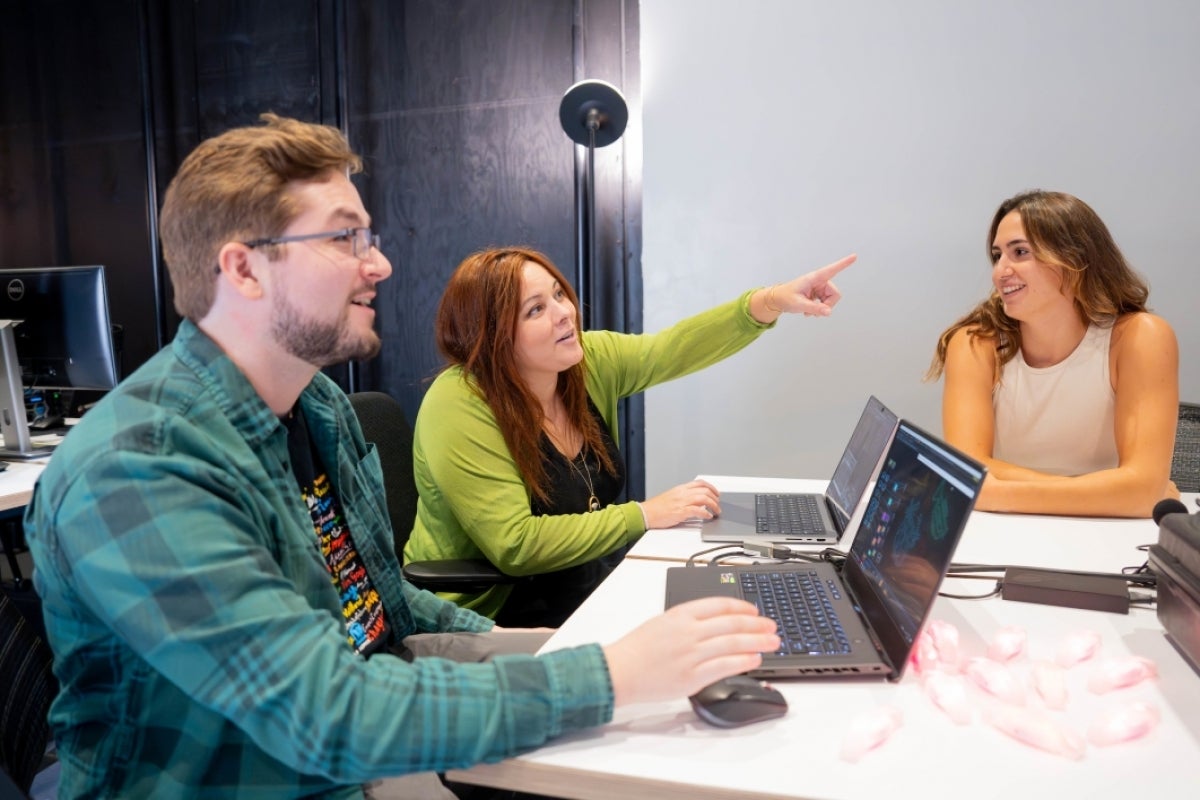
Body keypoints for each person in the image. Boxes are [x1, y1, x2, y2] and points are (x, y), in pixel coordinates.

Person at [22, 114, 781, 800]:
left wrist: (568, 651)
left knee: (661, 728)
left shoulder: (317, 408)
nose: (378, 264)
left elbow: (386, 611)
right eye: (344, 238)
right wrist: (610, 675)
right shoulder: (142, 466)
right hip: (270, 773)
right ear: (244, 270)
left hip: (367, 713)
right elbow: (325, 717)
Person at [405, 246, 856, 627]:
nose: (565, 313)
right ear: (493, 336)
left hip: (578, 587)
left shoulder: (584, 362)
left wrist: (772, 300)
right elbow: (516, 546)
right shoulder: (460, 403)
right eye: (536, 309)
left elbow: (671, 349)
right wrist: (643, 514)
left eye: (559, 293)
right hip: (488, 616)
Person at [927, 189, 1179, 518]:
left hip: (1108, 539)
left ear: (1073, 261)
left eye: (1019, 252)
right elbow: (968, 471)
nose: (1000, 271)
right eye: (998, 255)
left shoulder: (1141, 337)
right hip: (1004, 533)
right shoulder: (975, 343)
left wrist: (996, 494)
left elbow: (1141, 494)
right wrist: (1107, 491)